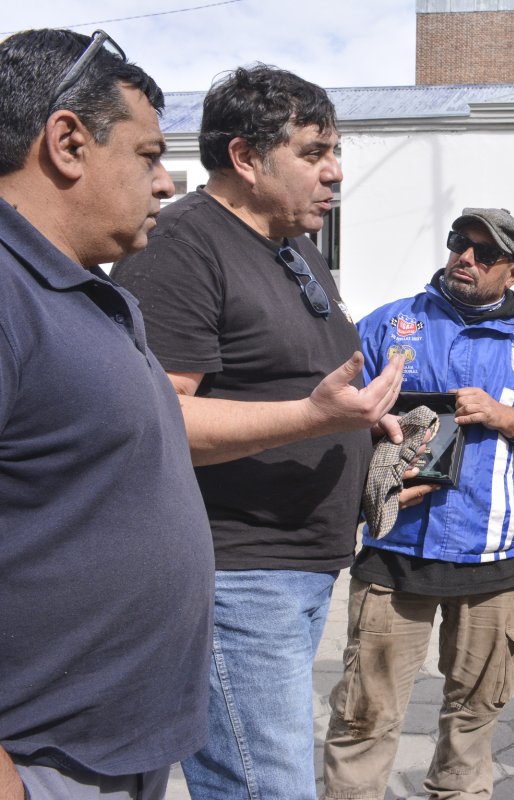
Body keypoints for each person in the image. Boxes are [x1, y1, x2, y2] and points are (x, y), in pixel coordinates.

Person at [110, 66, 406, 800]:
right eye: (313, 153)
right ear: (245, 157)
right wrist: (315, 418)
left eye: (335, 152)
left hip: (300, 567)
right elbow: (155, 418)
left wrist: (368, 429)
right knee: (265, 788)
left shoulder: (292, 245)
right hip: (237, 576)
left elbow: (290, 384)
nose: (334, 172)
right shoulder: (183, 244)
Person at [0, 28, 213, 799]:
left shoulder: (90, 292)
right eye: (148, 155)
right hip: (40, 762)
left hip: (115, 751)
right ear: (68, 143)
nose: (164, 184)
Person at [322, 207, 514, 800]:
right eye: (458, 243)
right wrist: (375, 438)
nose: (465, 257)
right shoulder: (391, 325)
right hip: (395, 556)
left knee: (473, 719)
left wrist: (509, 417)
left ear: (512, 273)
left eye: (484, 253)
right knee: (363, 717)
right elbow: (330, 412)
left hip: (492, 565)